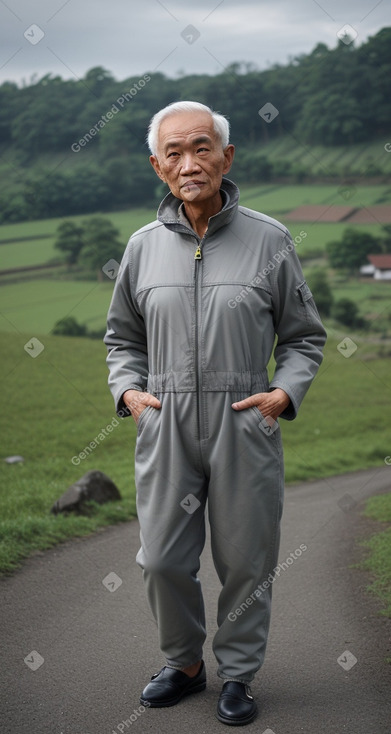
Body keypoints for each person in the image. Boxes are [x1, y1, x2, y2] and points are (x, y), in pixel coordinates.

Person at [104, 100, 327, 726]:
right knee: (162, 559)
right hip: (165, 421)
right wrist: (128, 392)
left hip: (243, 418)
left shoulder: (271, 240)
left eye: (201, 147)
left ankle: (237, 675)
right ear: (157, 166)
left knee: (246, 559)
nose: (189, 162)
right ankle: (184, 663)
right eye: (173, 152)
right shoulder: (142, 248)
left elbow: (305, 336)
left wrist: (285, 393)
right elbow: (122, 340)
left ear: (227, 157)